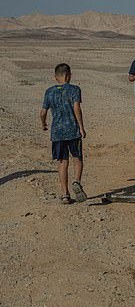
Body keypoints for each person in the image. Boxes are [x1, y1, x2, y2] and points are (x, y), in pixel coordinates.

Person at [40, 63, 87, 204]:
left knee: (62, 162)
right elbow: (76, 108)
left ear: (56, 77)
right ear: (68, 75)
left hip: (57, 133)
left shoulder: (49, 91)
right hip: (73, 131)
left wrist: (43, 124)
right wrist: (81, 127)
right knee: (77, 158)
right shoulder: (74, 89)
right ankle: (77, 181)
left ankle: (65, 194)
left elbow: (43, 112)